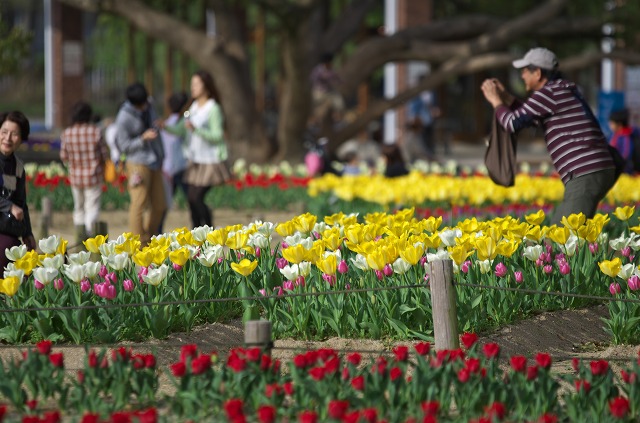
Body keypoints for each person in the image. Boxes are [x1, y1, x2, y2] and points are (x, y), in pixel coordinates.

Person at [480, 47, 618, 224]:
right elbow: (530, 117)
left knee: (559, 236)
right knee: (571, 235)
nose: (522, 75)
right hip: (594, 169)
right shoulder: (559, 89)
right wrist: (505, 98)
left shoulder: (548, 93)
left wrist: (495, 101)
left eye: (524, 71)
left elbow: (512, 123)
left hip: (585, 172)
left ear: (537, 73)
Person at [160, 70, 230, 228]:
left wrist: (197, 129)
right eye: (192, 84)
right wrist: (165, 126)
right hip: (194, 160)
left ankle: (209, 228)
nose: (193, 88)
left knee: (196, 198)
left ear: (206, 86)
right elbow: (181, 129)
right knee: (191, 200)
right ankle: (198, 233)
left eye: (197, 84)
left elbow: (218, 135)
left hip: (210, 160)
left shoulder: (213, 108)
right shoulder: (192, 108)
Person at [114, 82, 166, 245]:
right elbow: (124, 146)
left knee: (160, 204)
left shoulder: (149, 105)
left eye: (146, 104)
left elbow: (154, 120)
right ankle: (139, 243)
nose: (144, 107)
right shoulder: (123, 117)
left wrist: (158, 124)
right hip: (137, 162)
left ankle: (149, 237)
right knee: (139, 203)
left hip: (155, 159)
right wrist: (142, 138)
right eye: (141, 105)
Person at [60, 101, 110, 244]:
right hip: (93, 176)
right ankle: (89, 233)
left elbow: (64, 156)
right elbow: (104, 154)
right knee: (92, 206)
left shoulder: (67, 133)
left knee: (79, 206)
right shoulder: (95, 131)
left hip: (76, 176)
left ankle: (79, 233)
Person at [0, 111, 36, 270]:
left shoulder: (18, 167)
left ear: (21, 139)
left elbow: (21, 203)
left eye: (14, 134)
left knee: (14, 249)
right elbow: (14, 206)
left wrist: (28, 233)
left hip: (5, 226)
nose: (7, 138)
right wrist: (9, 207)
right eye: (4, 132)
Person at [158, 92, 189, 232]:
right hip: (182, 167)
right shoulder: (184, 123)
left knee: (164, 204)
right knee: (193, 201)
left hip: (167, 168)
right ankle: (200, 228)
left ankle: (158, 231)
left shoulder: (165, 124)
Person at [407, 74, 439, 160]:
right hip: (420, 120)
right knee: (420, 139)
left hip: (430, 119)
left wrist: (435, 110)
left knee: (429, 138)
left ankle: (430, 155)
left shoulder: (432, 92)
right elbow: (413, 107)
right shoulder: (417, 93)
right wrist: (413, 117)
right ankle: (423, 156)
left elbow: (435, 104)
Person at [310, 53, 344, 124]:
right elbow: (313, 79)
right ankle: (314, 119)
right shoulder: (318, 70)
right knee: (317, 106)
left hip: (329, 91)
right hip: (319, 92)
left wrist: (340, 82)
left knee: (339, 102)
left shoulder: (331, 70)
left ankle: (338, 117)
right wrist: (322, 79)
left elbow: (336, 78)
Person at [608, 108, 639, 174]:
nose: (609, 125)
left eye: (611, 123)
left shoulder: (626, 137)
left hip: (626, 173)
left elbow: (626, 155)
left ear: (619, 124)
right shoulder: (614, 135)